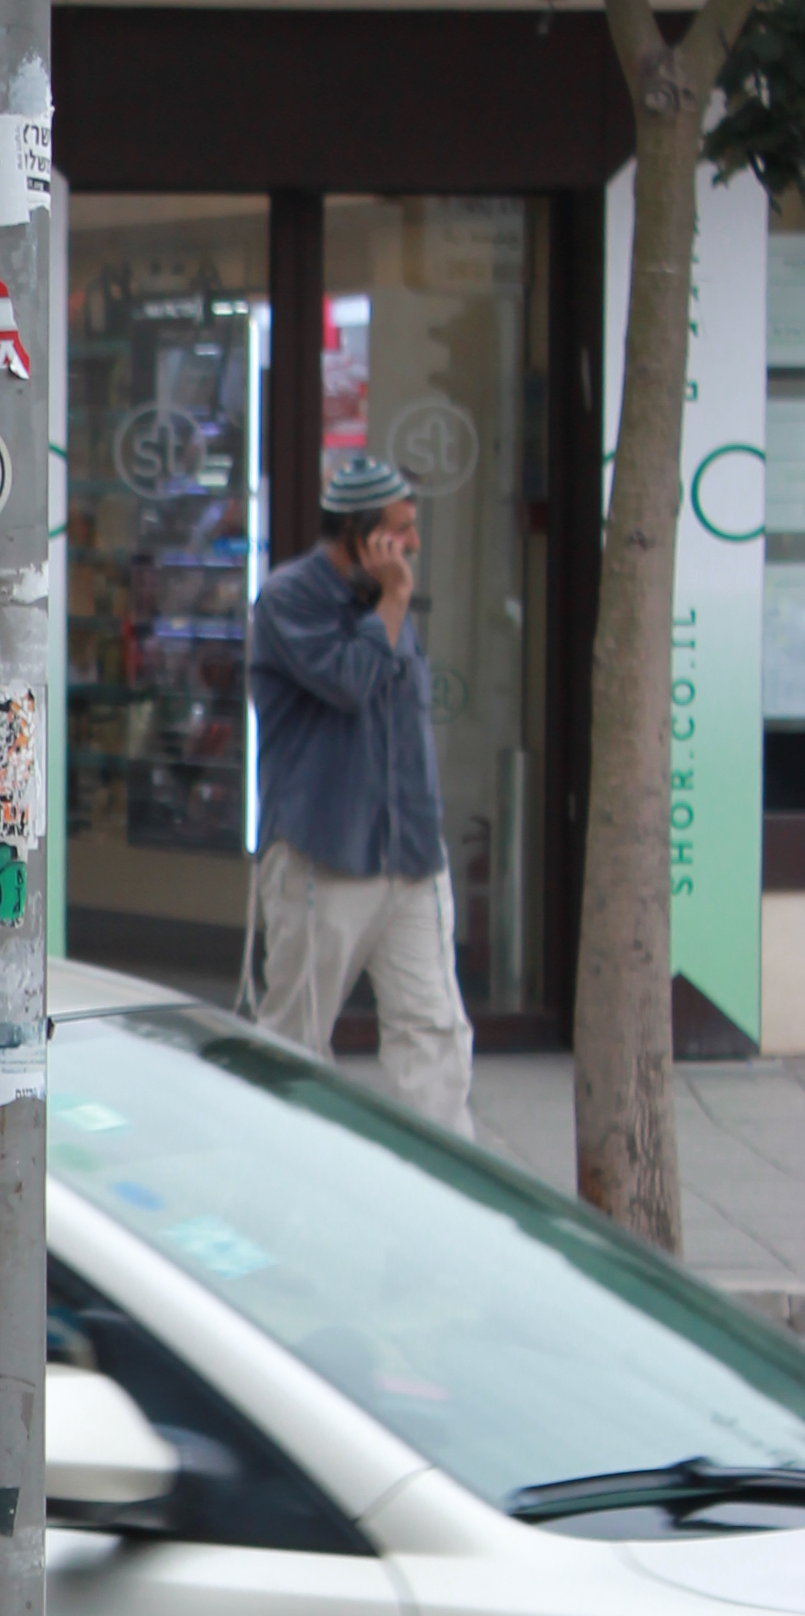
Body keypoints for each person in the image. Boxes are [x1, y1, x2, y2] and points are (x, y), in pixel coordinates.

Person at [243, 452, 476, 1131]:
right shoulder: (291, 597)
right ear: (361, 536)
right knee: (295, 1038)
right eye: (402, 530)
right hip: (326, 853)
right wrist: (394, 601)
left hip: (410, 857)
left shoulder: (386, 599)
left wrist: (391, 601)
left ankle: (442, 1188)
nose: (415, 545)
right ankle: (282, 1178)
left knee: (433, 1031)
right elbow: (348, 681)